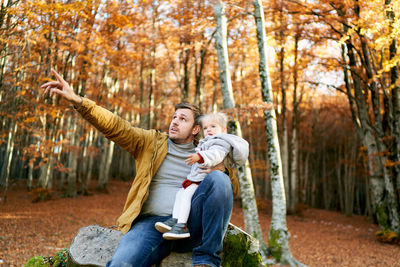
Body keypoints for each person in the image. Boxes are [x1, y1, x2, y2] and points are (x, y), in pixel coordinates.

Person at [41, 69, 240, 267]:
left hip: (190, 226)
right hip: (151, 225)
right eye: (174, 117)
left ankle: (207, 260)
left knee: (220, 179)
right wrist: (78, 101)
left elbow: (229, 192)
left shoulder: (209, 152)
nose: (174, 122)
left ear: (195, 129)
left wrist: (221, 170)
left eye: (182, 119)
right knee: (122, 263)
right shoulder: (150, 142)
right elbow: (116, 126)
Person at [155, 113, 248, 240]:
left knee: (187, 195)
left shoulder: (220, 142)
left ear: (224, 130)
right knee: (180, 194)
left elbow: (215, 155)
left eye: (213, 126)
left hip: (204, 181)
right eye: (205, 128)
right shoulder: (206, 142)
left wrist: (200, 156)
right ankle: (175, 219)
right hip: (196, 178)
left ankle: (182, 226)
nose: (209, 130)